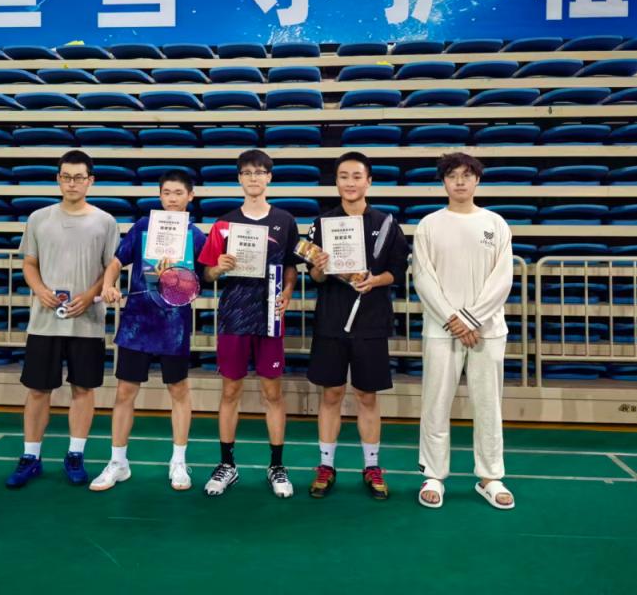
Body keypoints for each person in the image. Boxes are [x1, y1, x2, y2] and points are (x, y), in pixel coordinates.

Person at [5, 149, 120, 489]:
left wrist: (91, 294)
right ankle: (30, 456)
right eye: (66, 177)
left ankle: (75, 454)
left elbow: (110, 268)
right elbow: (29, 263)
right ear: (58, 179)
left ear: (90, 181)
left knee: (83, 388)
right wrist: (40, 290)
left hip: (88, 321)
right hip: (45, 321)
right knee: (38, 389)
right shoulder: (38, 218)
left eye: (79, 177)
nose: (72, 183)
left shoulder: (105, 221)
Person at [91, 169, 206, 492]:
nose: (172, 199)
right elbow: (117, 261)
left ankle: (178, 462)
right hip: (137, 322)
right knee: (125, 392)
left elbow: (205, 276)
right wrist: (109, 284)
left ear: (190, 197)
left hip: (174, 326)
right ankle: (118, 462)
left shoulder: (196, 236)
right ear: (159, 196)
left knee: (178, 391)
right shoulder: (143, 227)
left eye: (178, 193)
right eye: (166, 193)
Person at [304, 152, 410, 500]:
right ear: (336, 181)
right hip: (331, 319)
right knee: (331, 394)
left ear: (369, 181)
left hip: (371, 320)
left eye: (356, 176)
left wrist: (374, 280)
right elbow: (315, 277)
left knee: (367, 395)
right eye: (343, 176)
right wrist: (319, 267)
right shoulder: (322, 223)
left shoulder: (386, 224)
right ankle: (325, 465)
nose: (350, 183)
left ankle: (372, 465)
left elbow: (397, 270)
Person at [414, 152, 515, 510]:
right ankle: (433, 475)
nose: (460, 181)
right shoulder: (429, 225)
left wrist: (472, 319)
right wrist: (453, 319)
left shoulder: (496, 223)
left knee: (488, 405)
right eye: (452, 175)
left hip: (487, 330)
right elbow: (423, 278)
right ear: (443, 181)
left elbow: (502, 279)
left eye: (466, 175)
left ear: (477, 180)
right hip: (442, 330)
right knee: (435, 403)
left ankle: (490, 476)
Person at [197, 149, 299, 498]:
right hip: (234, 315)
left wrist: (288, 291)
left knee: (273, 393)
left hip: (270, 314)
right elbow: (206, 273)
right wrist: (218, 267)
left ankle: (277, 466)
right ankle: (227, 464)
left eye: (260, 172)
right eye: (247, 173)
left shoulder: (285, 220)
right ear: (239, 178)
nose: (254, 178)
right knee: (230, 391)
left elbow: (290, 267)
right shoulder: (223, 223)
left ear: (269, 177)